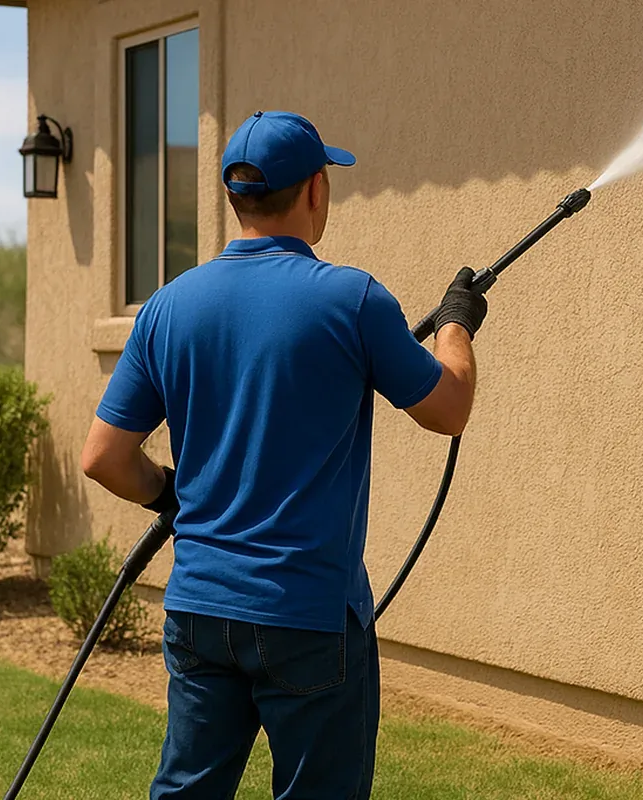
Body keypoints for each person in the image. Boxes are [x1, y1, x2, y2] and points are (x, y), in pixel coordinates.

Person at [80, 110, 488, 800]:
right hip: (309, 616)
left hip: (200, 612)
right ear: (316, 192)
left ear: (235, 197)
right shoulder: (352, 299)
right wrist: (455, 324)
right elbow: (448, 409)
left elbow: (103, 458)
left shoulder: (167, 307)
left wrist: (169, 497)